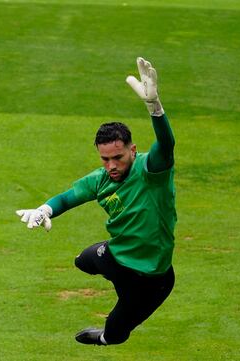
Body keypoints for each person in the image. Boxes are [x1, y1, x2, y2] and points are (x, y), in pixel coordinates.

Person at [16, 57, 177, 346]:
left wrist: (155, 108)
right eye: (105, 159)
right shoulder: (101, 178)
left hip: (151, 278)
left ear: (133, 150)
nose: (111, 165)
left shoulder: (152, 171)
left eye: (118, 157)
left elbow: (166, 145)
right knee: (83, 261)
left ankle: (105, 337)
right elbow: (68, 198)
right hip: (117, 256)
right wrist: (45, 209)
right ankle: (108, 271)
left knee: (115, 333)